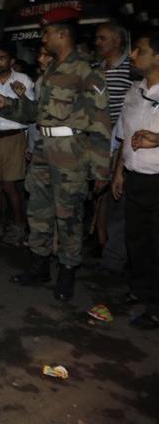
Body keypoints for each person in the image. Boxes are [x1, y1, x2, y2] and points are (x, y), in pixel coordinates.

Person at [0, 7, 111, 301]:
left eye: (47, 32)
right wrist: (7, 104)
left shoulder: (85, 72)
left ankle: (67, 270)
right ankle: (39, 265)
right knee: (38, 210)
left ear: (62, 34)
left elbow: (101, 122)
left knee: (68, 216)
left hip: (71, 153)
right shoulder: (50, 72)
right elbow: (35, 114)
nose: (44, 37)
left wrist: (101, 169)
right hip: (42, 150)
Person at [111, 29, 159, 330]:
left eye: (139, 50)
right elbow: (123, 135)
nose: (132, 55)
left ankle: (156, 306)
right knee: (137, 241)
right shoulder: (133, 91)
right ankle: (140, 291)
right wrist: (118, 172)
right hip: (134, 178)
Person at [0, 42, 34, 245]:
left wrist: (30, 145)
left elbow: (31, 112)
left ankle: (18, 226)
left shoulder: (23, 80)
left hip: (14, 137)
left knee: (10, 186)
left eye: (2, 58)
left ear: (11, 61)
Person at [94, 21, 134, 274]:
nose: (98, 42)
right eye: (97, 39)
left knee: (116, 201)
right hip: (97, 143)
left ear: (117, 41)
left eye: (103, 38)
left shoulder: (132, 72)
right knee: (100, 198)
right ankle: (102, 246)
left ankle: (115, 255)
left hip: (119, 145)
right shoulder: (96, 70)